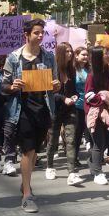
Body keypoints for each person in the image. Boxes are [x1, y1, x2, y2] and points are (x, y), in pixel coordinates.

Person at [1, 19, 61, 213]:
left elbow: (56, 82)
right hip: (23, 110)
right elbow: (3, 86)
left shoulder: (49, 56)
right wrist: (13, 86)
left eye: (42, 32)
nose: (40, 36)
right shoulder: (13, 57)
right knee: (27, 150)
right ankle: (27, 194)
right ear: (26, 34)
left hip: (43, 110)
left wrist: (56, 85)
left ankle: (25, 183)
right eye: (36, 32)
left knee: (34, 151)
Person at [45, 43, 79, 183]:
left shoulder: (72, 70)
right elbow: (48, 92)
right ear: (60, 53)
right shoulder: (52, 69)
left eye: (71, 51)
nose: (70, 54)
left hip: (70, 110)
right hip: (55, 109)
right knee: (52, 141)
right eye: (67, 51)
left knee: (71, 140)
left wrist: (75, 96)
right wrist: (63, 98)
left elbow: (74, 90)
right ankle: (50, 166)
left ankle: (71, 172)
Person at [83, 47, 109, 185]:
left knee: (105, 142)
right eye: (105, 54)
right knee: (98, 142)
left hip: (107, 113)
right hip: (94, 113)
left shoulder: (108, 73)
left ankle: (92, 162)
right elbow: (89, 96)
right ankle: (97, 172)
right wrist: (104, 98)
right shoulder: (92, 75)